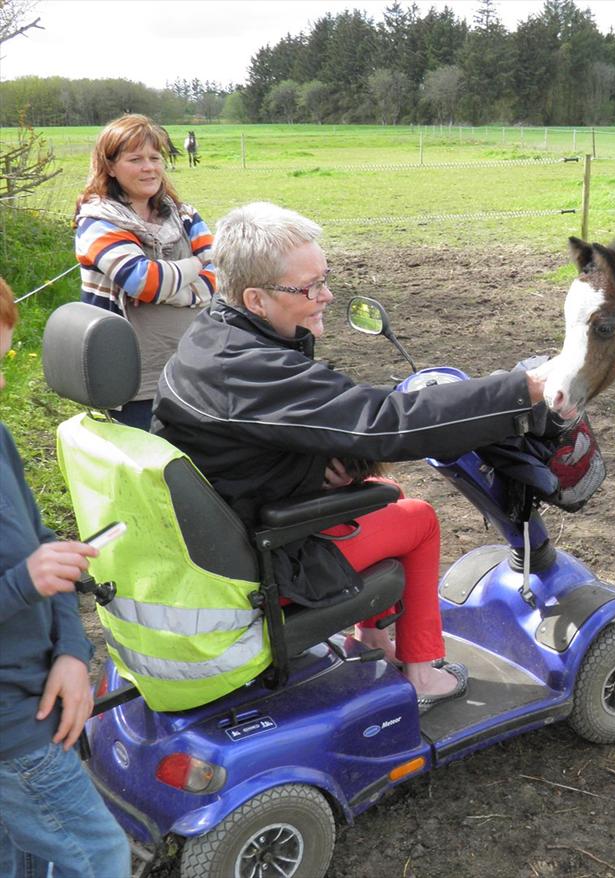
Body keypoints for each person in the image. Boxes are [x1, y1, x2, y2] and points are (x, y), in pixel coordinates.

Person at [153, 202, 548, 706]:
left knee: (386, 495)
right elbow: (385, 423)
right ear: (255, 297)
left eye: (325, 278)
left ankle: (372, 638)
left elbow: (251, 444)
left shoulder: (216, 336)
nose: (327, 295)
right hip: (260, 558)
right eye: (309, 287)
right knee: (419, 519)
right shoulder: (246, 368)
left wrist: (314, 471)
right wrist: (522, 390)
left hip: (236, 521)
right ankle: (425, 674)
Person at [0, 278, 132, 878]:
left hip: (38, 687)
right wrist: (23, 583)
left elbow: (45, 551)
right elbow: (30, 573)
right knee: (101, 856)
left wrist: (74, 653)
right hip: (11, 729)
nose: (3, 384)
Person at [74, 113, 215, 430]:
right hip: (133, 379)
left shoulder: (184, 215)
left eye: (155, 157)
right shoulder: (98, 220)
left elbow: (221, 271)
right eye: (135, 159)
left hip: (191, 364)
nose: (149, 167)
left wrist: (175, 293)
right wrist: (195, 266)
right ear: (109, 166)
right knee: (142, 466)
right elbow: (144, 281)